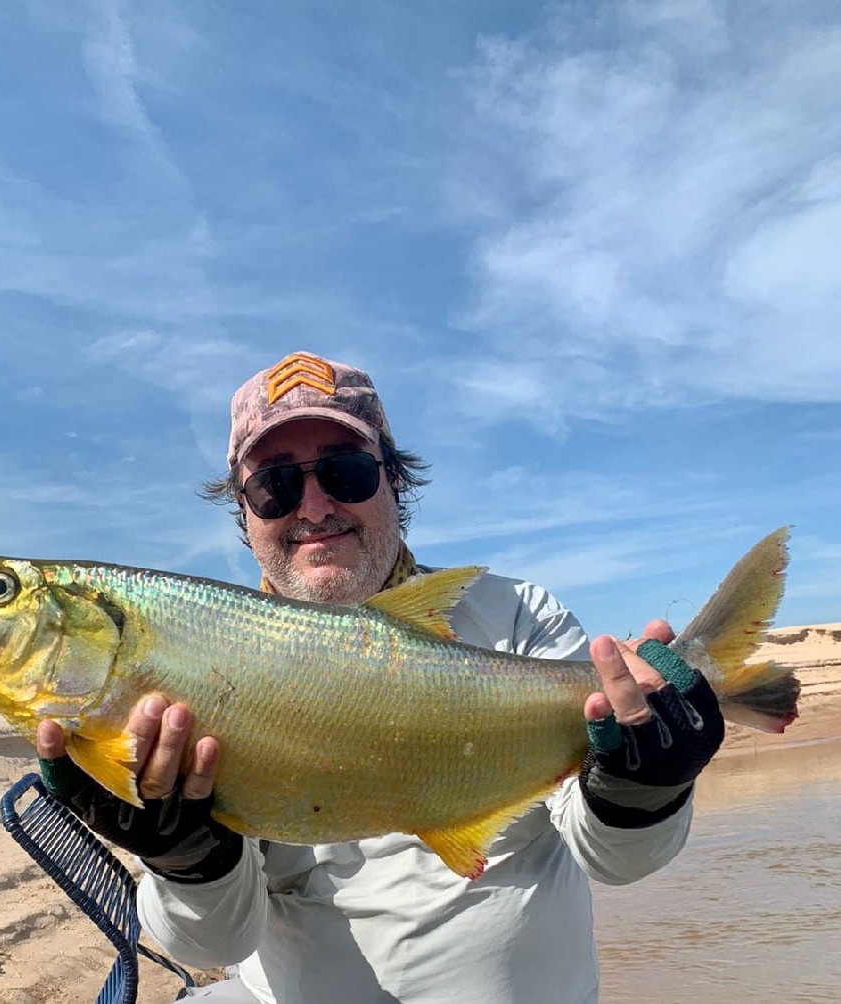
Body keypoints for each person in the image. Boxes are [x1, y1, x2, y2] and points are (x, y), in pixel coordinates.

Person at [37, 351, 724, 1003]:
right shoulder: (194, 664)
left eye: (344, 472)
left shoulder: (514, 615)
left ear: (392, 481)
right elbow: (212, 938)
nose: (312, 509)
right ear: (244, 515)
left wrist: (646, 790)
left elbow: (617, 860)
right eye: (274, 486)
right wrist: (185, 859)